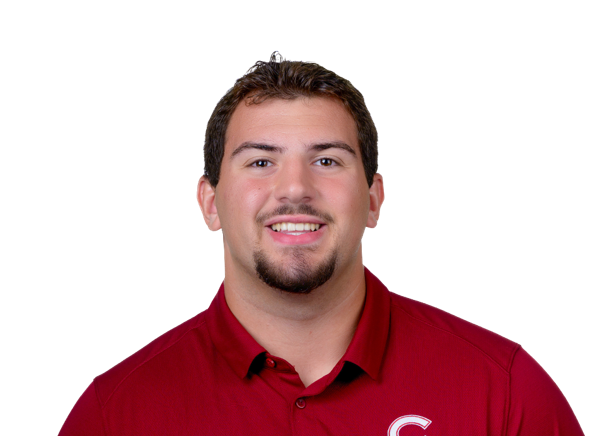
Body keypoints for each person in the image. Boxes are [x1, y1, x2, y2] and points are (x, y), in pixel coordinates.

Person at [58, 51, 584, 435]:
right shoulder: (113, 415)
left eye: (327, 160)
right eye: (260, 161)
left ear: (373, 199)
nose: (294, 188)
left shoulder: (505, 391)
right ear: (210, 203)